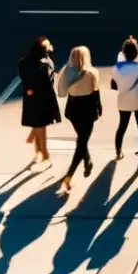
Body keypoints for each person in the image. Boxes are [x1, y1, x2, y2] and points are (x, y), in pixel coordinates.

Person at [56, 46, 102, 193]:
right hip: (87, 109)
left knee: (81, 139)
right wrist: (99, 108)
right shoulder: (92, 73)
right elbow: (95, 93)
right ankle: (69, 174)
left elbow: (62, 91)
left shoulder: (65, 71)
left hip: (73, 109)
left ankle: (87, 162)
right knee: (82, 141)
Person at [19, 36, 60, 165]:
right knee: (41, 125)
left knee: (37, 123)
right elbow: (47, 79)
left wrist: (29, 88)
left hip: (30, 97)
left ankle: (37, 148)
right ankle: (44, 153)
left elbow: (25, 78)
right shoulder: (45, 63)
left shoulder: (23, 62)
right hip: (44, 97)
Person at [111, 36, 138, 168]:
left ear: (124, 53)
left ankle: (118, 151)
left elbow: (114, 85)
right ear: (137, 51)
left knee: (122, 126)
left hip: (123, 102)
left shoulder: (117, 68)